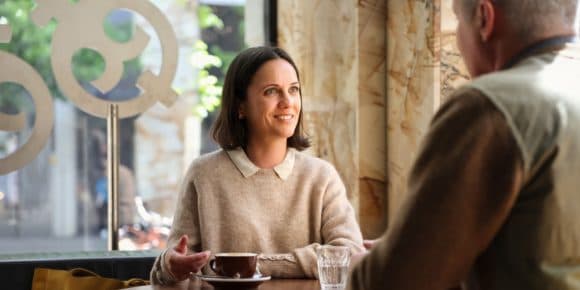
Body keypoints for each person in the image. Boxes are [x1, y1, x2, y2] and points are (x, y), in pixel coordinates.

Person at [349, 0, 580, 289]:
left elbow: (394, 281)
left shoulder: (489, 106)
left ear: (484, 18)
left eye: (458, 20)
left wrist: (361, 266)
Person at [150, 46, 364, 285]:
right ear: (240, 106)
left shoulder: (321, 177)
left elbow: (350, 253)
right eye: (271, 91)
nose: (287, 102)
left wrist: (255, 265)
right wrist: (169, 266)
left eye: (293, 90)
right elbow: (175, 265)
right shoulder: (204, 174)